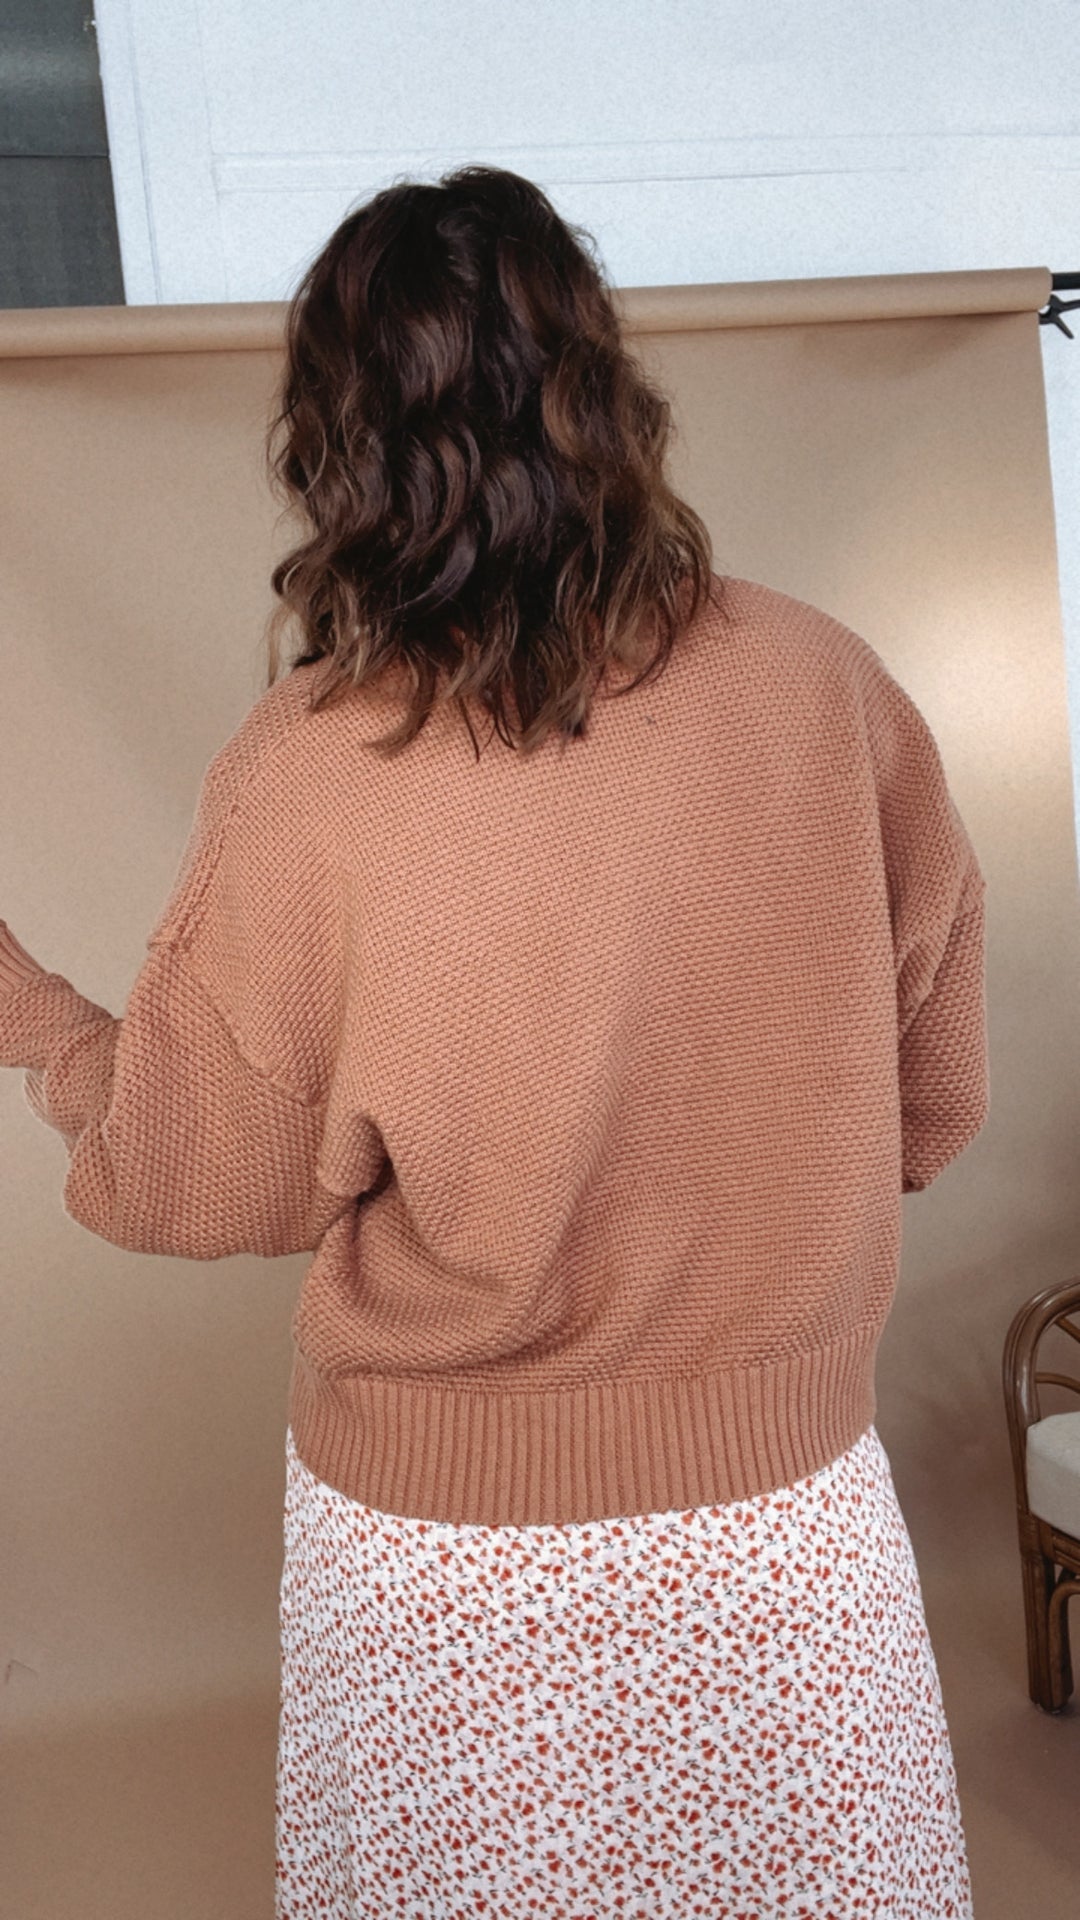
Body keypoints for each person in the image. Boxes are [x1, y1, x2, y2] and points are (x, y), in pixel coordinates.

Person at [0, 165, 987, 1918]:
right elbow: (936, 1082)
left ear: (339, 444)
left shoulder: (309, 764)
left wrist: (31, 1016)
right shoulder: (826, 684)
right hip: (784, 1534)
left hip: (444, 1566)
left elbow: (187, 1178)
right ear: (602, 390)